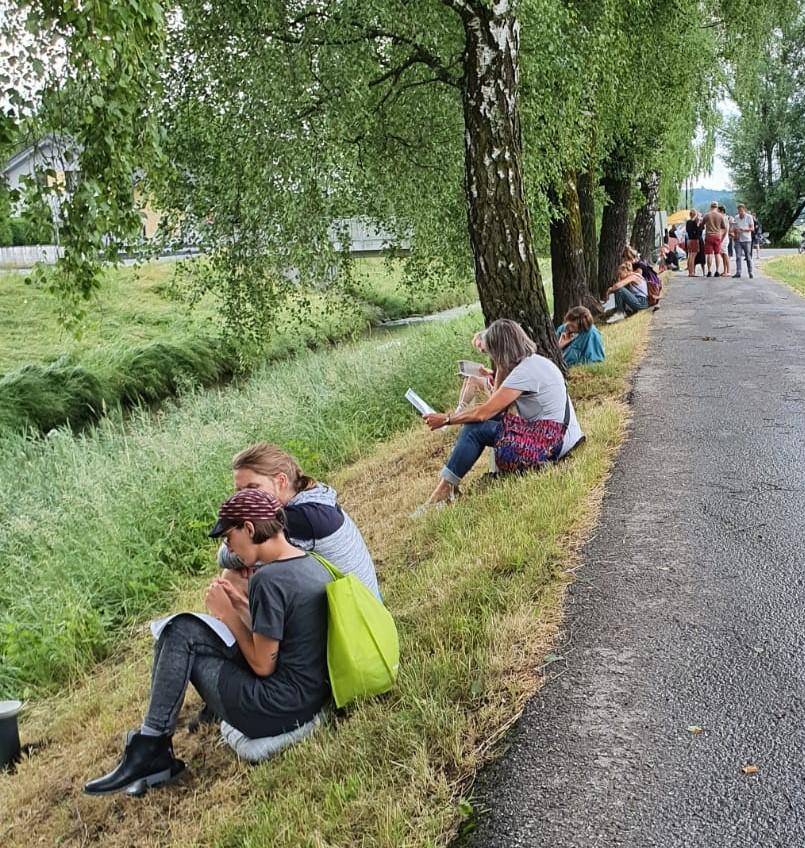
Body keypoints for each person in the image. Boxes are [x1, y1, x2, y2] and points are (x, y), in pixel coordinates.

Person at [83, 489, 333, 796]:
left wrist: (228, 614)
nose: (228, 548)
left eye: (229, 537)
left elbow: (263, 665)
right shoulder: (308, 563)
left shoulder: (269, 580)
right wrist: (241, 606)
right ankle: (152, 746)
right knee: (181, 628)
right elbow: (288, 638)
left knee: (181, 634)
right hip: (304, 694)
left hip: (275, 708)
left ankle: (151, 749)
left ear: (249, 528)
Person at [416, 319, 584, 511]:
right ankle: (447, 486)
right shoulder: (534, 362)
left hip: (551, 444)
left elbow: (483, 413)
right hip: (560, 435)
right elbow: (497, 408)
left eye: (490, 352)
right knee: (485, 421)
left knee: (474, 428)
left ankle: (444, 491)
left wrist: (446, 419)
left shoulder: (524, 372)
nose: (490, 356)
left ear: (499, 350)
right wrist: (501, 368)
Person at [218, 443, 380, 600]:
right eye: (239, 491)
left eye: (252, 488)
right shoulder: (313, 498)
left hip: (352, 615)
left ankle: (252, 628)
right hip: (367, 604)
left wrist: (251, 561)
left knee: (233, 580)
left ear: (281, 481)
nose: (243, 498)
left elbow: (225, 555)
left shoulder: (298, 519)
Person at [701, 202, 726, 278]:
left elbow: (702, 225)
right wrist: (720, 234)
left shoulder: (707, 215)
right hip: (717, 236)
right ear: (717, 207)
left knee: (709, 254)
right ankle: (717, 271)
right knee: (717, 254)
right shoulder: (720, 216)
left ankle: (709, 271)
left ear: (710, 206)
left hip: (709, 236)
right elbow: (723, 227)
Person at [731, 202, 755, 278]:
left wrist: (743, 229)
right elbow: (734, 228)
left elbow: (752, 228)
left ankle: (750, 272)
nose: (740, 212)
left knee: (748, 257)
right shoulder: (736, 217)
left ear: (744, 210)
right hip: (738, 239)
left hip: (747, 239)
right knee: (738, 256)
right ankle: (738, 272)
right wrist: (734, 233)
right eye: (739, 211)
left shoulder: (749, 217)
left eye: (741, 211)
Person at [684, 209, 703, 276]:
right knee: (693, 256)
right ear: (695, 214)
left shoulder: (688, 222)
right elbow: (698, 232)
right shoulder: (695, 222)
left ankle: (690, 272)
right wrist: (698, 225)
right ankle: (692, 272)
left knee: (690, 256)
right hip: (694, 240)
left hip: (689, 240)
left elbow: (687, 230)